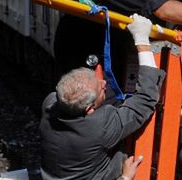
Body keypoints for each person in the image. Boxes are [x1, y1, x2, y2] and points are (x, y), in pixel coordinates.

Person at [39, 14, 165, 180]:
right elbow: (146, 98)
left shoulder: (51, 103)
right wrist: (142, 41)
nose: (104, 82)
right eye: (101, 88)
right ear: (89, 109)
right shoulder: (100, 126)